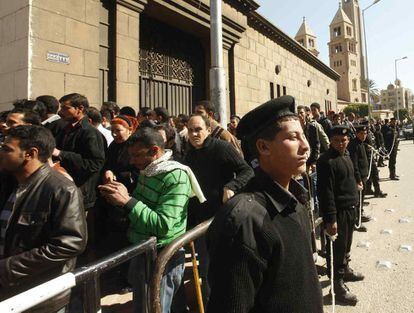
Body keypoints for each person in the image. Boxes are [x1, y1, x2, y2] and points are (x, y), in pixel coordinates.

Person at [207, 96, 323, 313]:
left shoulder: (295, 198)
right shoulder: (245, 221)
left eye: (303, 135)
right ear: (263, 147)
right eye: (292, 137)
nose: (305, 146)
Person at [98, 127, 205, 313]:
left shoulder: (175, 176)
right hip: (144, 250)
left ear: (155, 151)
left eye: (137, 155)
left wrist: (127, 201)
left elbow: (163, 225)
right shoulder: (150, 170)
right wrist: (120, 199)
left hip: (163, 257)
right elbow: (142, 208)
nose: (132, 161)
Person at [0, 125, 87, 312]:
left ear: (30, 154)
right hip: (8, 292)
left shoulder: (62, 189)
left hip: (40, 296)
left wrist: (7, 268)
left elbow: (70, 244)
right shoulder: (9, 182)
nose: (1, 152)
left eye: (7, 149)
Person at [184, 113, 254, 304]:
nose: (194, 134)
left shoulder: (222, 148)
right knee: (206, 270)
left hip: (223, 218)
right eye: (190, 130)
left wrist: (231, 186)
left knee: (227, 268)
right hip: (200, 223)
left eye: (198, 129)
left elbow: (247, 171)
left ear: (208, 130)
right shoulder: (188, 155)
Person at [317, 125, 364, 306]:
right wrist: (331, 219)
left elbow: (353, 171)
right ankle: (337, 287)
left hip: (350, 208)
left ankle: (345, 270)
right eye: (336, 140)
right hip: (338, 212)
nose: (341, 143)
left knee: (346, 246)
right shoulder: (325, 161)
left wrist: (359, 179)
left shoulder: (346, 154)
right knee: (336, 250)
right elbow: (325, 192)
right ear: (331, 141)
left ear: (348, 140)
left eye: (344, 140)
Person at [297, 105, 320, 172]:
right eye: (297, 113)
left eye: (301, 113)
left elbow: (316, 145)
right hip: (298, 161)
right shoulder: (294, 128)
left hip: (309, 161)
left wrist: (313, 161)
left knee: (309, 180)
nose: (299, 115)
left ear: (305, 113)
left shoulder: (312, 128)